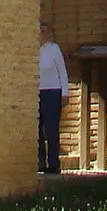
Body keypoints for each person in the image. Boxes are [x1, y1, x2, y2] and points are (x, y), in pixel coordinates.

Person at [37, 21, 68, 175]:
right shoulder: (32, 49)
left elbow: (62, 71)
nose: (41, 34)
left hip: (52, 92)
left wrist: (65, 93)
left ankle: (54, 163)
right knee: (37, 129)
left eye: (44, 31)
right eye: (39, 31)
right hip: (37, 93)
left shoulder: (53, 49)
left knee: (51, 129)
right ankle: (40, 162)